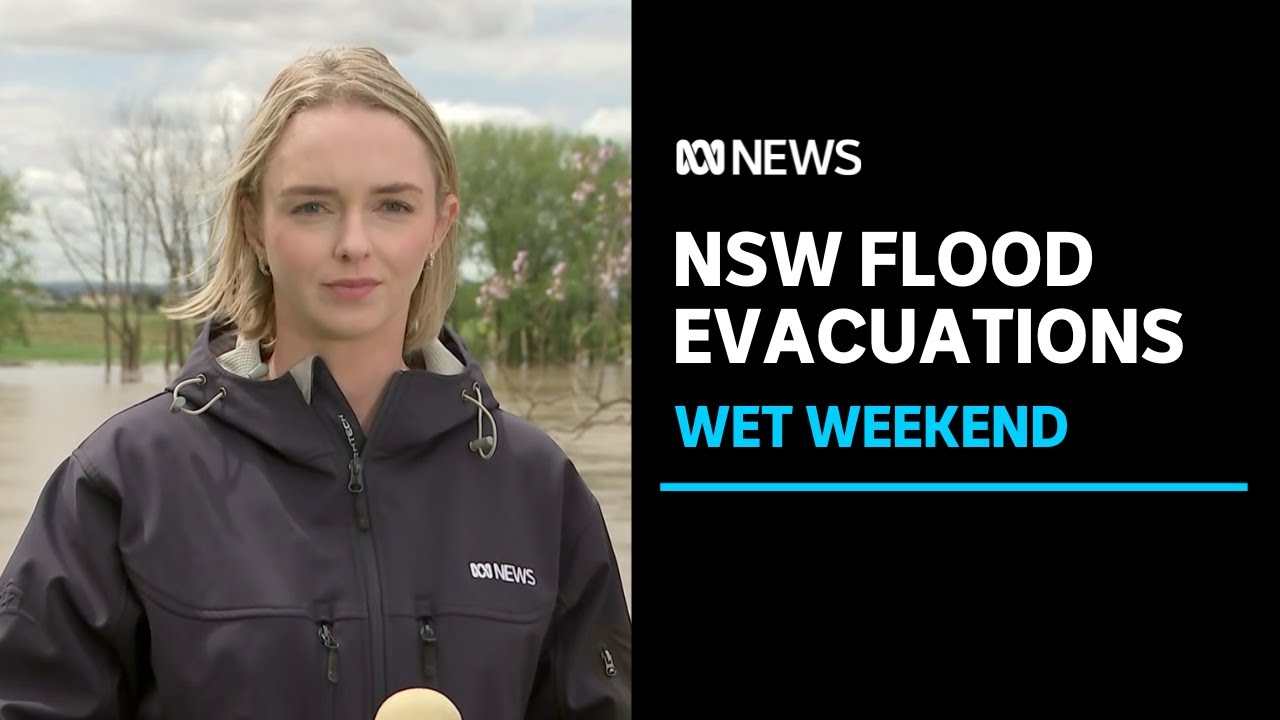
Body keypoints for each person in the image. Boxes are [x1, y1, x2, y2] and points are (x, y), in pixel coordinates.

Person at [0, 47, 631, 719]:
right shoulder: (126, 481)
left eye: (392, 205)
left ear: (439, 225)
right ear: (254, 224)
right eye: (312, 207)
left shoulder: (537, 488)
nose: (353, 243)